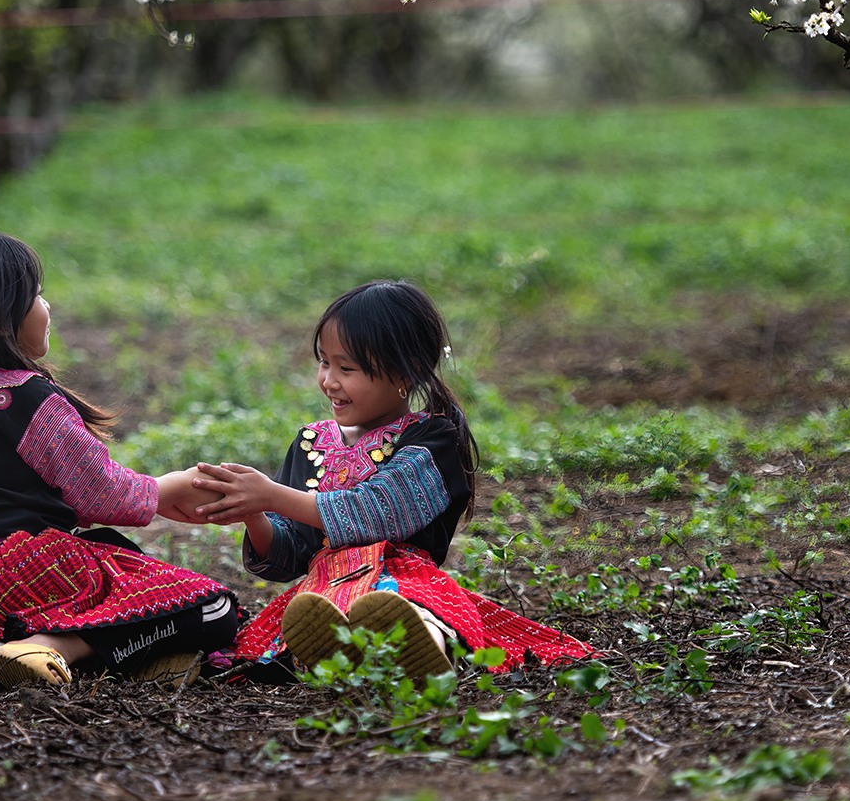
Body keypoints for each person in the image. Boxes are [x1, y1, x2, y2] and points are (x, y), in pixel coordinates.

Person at [0, 231, 238, 689]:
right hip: (30, 574)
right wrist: (167, 489)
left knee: (146, 608)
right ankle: (50, 648)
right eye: (37, 295)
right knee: (214, 608)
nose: (47, 306)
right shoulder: (28, 400)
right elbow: (102, 494)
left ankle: (52, 654)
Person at [188, 280, 595, 682]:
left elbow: (379, 512)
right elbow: (290, 554)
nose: (329, 380)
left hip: (405, 576)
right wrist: (255, 512)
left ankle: (426, 651)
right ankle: (338, 651)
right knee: (310, 614)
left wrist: (273, 496)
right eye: (324, 362)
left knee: (407, 606)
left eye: (347, 368)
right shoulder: (311, 442)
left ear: (404, 372)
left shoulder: (432, 439)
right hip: (323, 585)